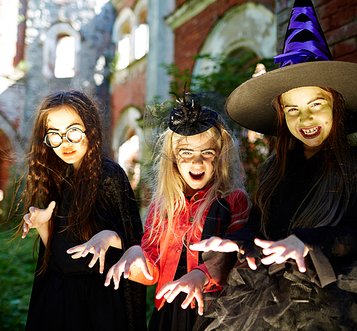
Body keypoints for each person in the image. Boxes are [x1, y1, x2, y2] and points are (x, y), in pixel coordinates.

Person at [174, 0, 357, 330]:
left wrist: (306, 241)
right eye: (293, 109)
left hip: (334, 293)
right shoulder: (275, 168)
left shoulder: (355, 163)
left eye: (317, 104)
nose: (305, 118)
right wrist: (237, 239)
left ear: (337, 106)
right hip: (268, 293)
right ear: (282, 115)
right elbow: (260, 227)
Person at [103, 92, 250, 331]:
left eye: (206, 153)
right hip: (169, 313)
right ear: (173, 159)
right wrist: (134, 257)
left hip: (215, 312)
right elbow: (153, 269)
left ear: (219, 157)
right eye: (187, 153)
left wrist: (201, 275)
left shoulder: (233, 200)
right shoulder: (163, 205)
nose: (197, 162)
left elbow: (238, 256)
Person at [19, 90, 146, 331]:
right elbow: (60, 260)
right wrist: (44, 226)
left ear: (91, 129)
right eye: (54, 135)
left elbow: (137, 241)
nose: (64, 142)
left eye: (73, 131)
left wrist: (110, 237)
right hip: (58, 300)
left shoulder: (109, 174)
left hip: (98, 304)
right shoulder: (62, 177)